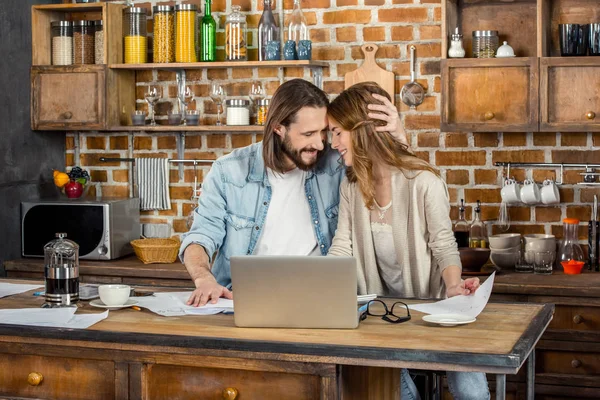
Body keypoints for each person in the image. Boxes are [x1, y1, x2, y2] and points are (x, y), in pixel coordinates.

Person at [327, 82, 489, 400]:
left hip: (434, 309)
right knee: (400, 395)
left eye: (337, 132)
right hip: (382, 316)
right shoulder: (351, 187)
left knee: (473, 394)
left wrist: (454, 286)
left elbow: (444, 245)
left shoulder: (424, 182)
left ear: (361, 131)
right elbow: (341, 245)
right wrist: (323, 286)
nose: (332, 143)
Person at [180, 79, 404, 307]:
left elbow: (394, 180)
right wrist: (204, 278)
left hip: (319, 299)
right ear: (278, 127)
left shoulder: (337, 164)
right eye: (308, 134)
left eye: (323, 132)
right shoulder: (229, 172)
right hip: (242, 299)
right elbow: (201, 236)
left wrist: (399, 137)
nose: (319, 144)